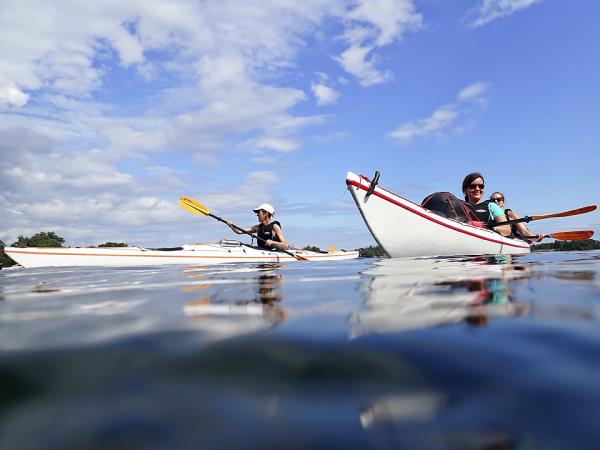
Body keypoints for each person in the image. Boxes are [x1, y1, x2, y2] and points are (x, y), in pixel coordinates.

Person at [462, 172, 512, 237]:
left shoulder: (492, 206)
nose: (477, 189)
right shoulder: (460, 207)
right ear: (464, 190)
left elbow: (507, 230)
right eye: (472, 186)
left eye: (481, 186)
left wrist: (486, 227)